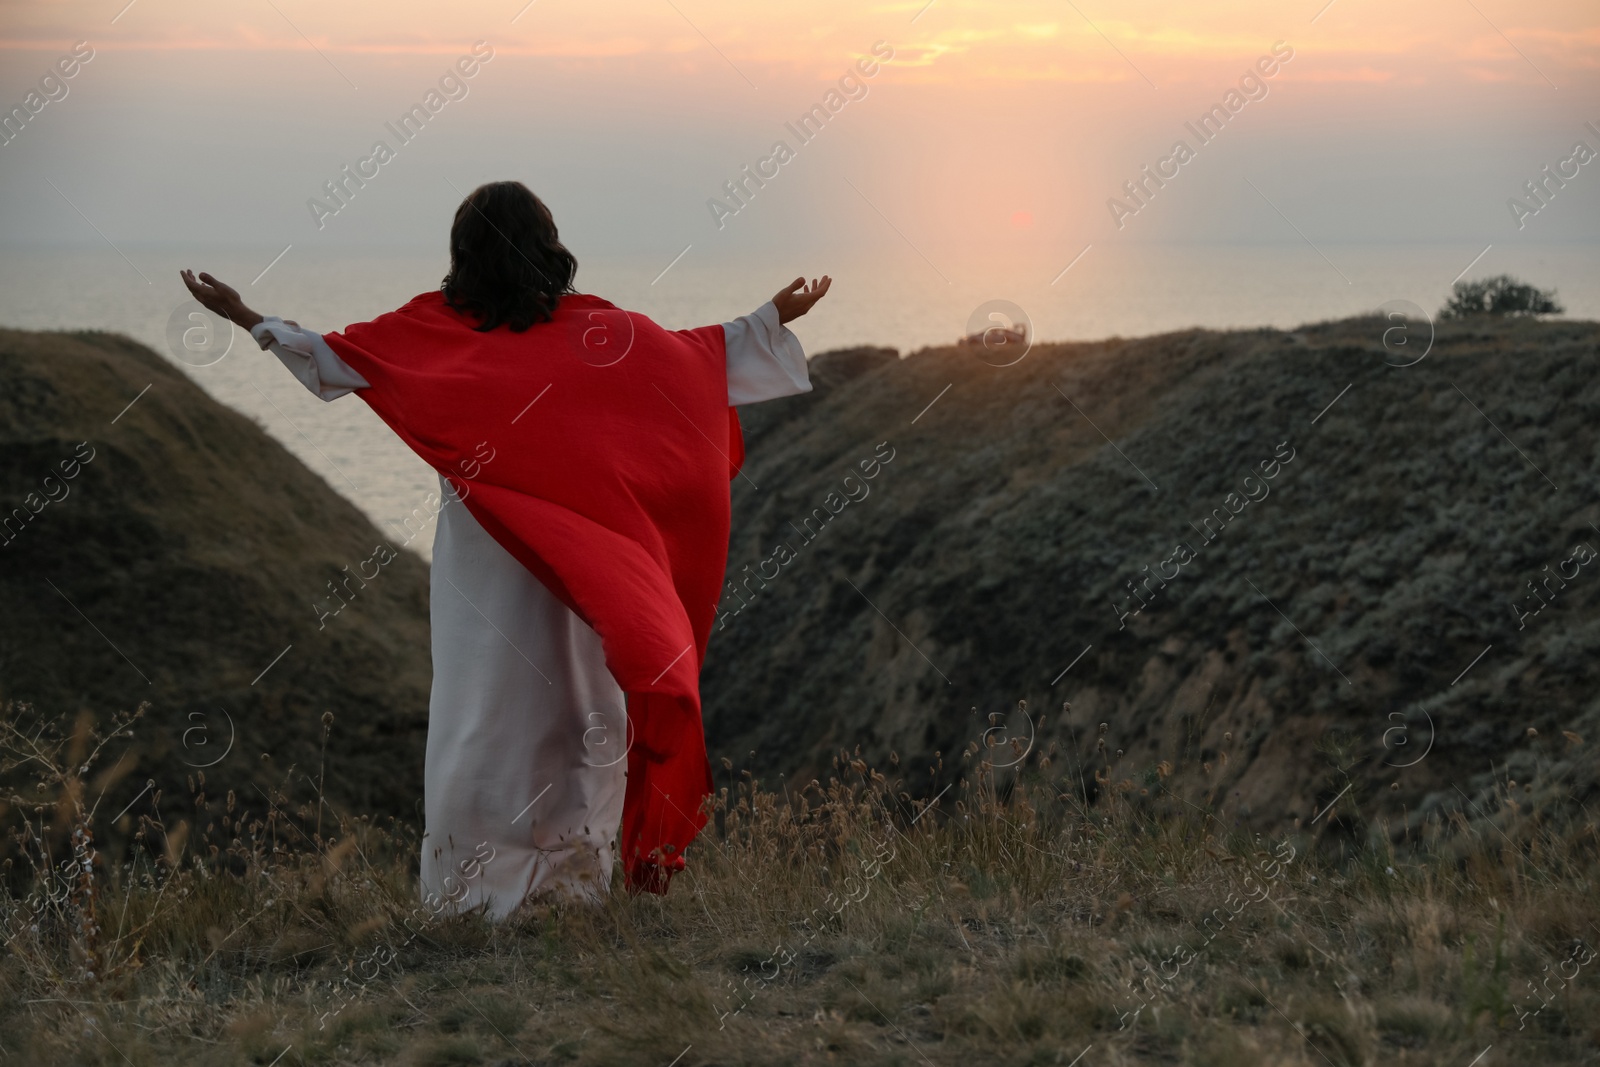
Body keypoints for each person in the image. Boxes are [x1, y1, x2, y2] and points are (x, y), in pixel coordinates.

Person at [181, 180, 830, 919]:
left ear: (465, 254)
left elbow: (330, 358)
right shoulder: (597, 333)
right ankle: (573, 888)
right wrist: (772, 317)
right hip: (581, 573)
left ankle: (470, 897)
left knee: (482, 714)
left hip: (487, 565)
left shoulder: (434, 331)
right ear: (549, 249)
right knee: (578, 710)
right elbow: (692, 360)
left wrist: (246, 317)